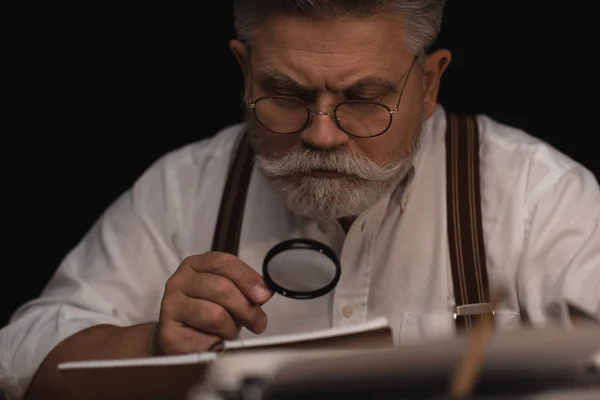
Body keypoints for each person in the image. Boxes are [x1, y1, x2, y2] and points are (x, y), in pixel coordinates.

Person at [3, 0, 600, 398]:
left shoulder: (538, 198)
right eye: (285, 93)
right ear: (245, 72)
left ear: (429, 83)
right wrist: (155, 348)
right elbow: (21, 362)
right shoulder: (182, 190)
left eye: (365, 97)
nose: (320, 133)